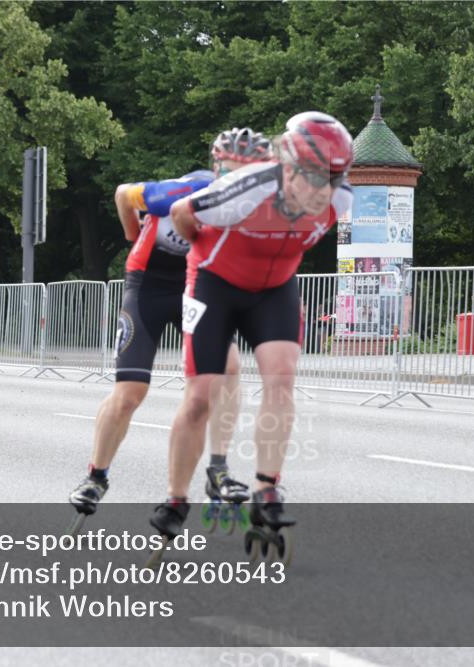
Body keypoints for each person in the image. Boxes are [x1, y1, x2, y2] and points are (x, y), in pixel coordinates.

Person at [150, 112, 354, 540]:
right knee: (202, 394)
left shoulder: (341, 200)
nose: (324, 190)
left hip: (274, 288)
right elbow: (181, 213)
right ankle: (175, 497)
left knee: (282, 379)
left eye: (334, 178)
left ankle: (267, 489)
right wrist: (201, 251)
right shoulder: (244, 190)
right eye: (314, 177)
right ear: (287, 167)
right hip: (214, 281)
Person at [69, 129, 274, 527]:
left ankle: (218, 467)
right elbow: (122, 193)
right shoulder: (180, 192)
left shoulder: (252, 209)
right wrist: (133, 233)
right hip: (147, 285)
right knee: (130, 394)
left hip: (194, 286)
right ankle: (96, 476)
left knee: (229, 368)